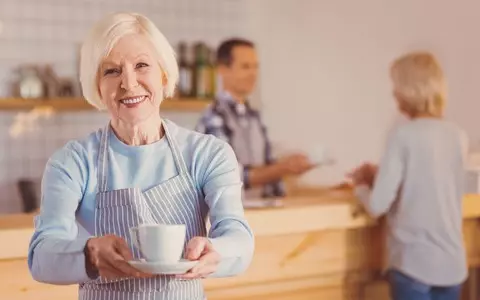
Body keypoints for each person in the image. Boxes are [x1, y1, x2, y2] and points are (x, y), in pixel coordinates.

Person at [27, 12, 254, 300]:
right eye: (111, 71)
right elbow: (42, 256)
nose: (129, 83)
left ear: (163, 74)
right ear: (97, 85)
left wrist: (216, 252)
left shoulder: (208, 154)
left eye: (142, 65)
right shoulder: (72, 162)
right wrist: (90, 255)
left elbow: (239, 238)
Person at [348, 52, 468, 300]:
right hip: (452, 266)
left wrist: (359, 186)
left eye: (397, 86)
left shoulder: (403, 136)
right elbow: (434, 183)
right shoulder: (458, 136)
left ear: (410, 89)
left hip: (414, 265)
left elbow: (377, 205)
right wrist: (380, 176)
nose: (394, 94)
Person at [196, 38, 313, 200]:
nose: (253, 74)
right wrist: (283, 168)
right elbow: (228, 177)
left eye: (255, 67)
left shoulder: (255, 117)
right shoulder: (214, 117)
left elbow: (268, 166)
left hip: (259, 215)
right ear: (223, 70)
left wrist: (286, 169)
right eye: (245, 67)